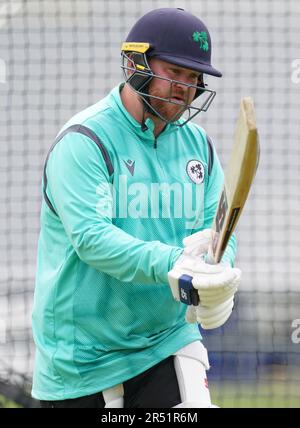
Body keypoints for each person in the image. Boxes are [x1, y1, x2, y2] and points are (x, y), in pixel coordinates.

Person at [32, 7, 241, 408]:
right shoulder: (85, 141)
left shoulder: (200, 148)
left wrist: (216, 275)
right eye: (174, 72)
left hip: (167, 340)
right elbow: (92, 240)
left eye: (193, 77)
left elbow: (216, 233)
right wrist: (175, 263)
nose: (185, 87)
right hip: (82, 360)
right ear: (135, 63)